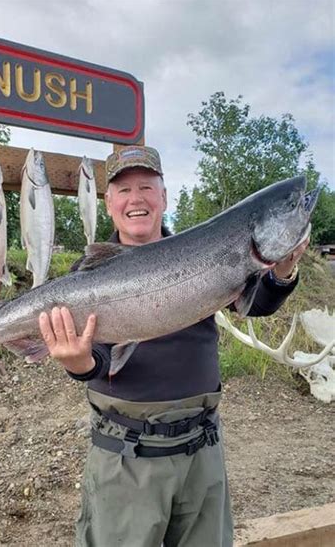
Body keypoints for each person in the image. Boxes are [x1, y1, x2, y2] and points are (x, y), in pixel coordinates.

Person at [38, 146, 308, 547]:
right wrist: (77, 363)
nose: (136, 199)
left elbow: (256, 304)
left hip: (202, 451)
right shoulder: (87, 272)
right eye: (124, 190)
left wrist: (283, 270)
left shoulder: (204, 250)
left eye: (146, 187)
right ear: (109, 203)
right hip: (126, 456)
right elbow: (94, 360)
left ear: (163, 196)